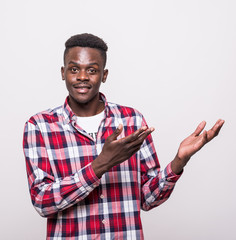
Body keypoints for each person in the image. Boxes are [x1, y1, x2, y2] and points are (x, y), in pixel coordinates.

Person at [23, 33, 224, 240]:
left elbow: (147, 199)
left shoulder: (132, 121)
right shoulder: (40, 126)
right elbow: (42, 202)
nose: (82, 76)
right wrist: (100, 164)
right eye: (74, 69)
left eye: (92, 70)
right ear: (63, 72)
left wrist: (179, 162)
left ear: (104, 75)